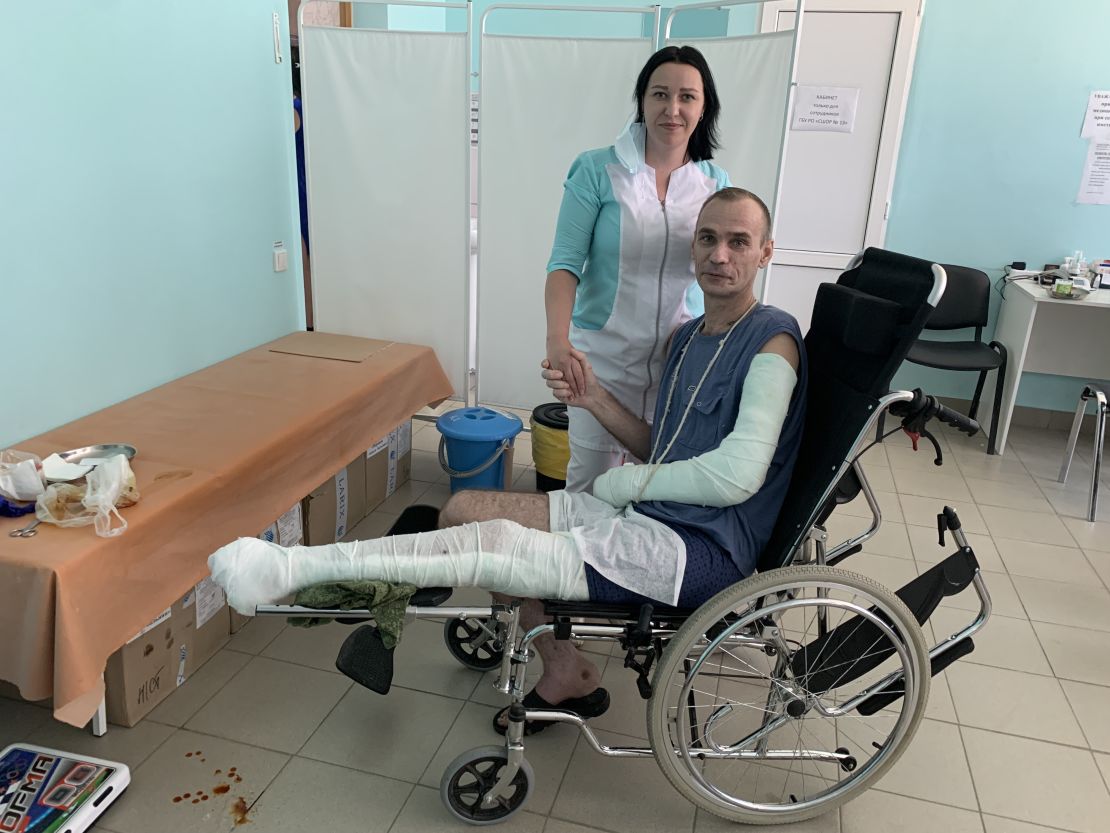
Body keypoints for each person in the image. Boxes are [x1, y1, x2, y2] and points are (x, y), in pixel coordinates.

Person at [208, 188, 806, 732]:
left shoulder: (772, 340)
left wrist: (627, 482)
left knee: (493, 543)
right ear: (692, 245)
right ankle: (564, 667)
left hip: (699, 550)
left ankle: (293, 568)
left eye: (738, 242)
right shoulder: (688, 339)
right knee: (463, 509)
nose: (720, 254)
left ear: (765, 253)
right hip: (648, 511)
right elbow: (664, 446)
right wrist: (594, 397)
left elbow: (736, 475)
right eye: (708, 238)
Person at [546, 45, 731, 493]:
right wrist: (557, 340)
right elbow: (565, 264)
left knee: (659, 488)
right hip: (600, 364)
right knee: (590, 489)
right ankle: (576, 564)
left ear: (704, 107)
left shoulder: (715, 183)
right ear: (642, 101)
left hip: (678, 367)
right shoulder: (597, 169)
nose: (673, 109)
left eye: (687, 97)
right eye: (660, 94)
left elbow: (723, 275)